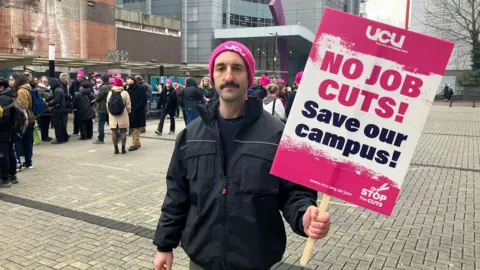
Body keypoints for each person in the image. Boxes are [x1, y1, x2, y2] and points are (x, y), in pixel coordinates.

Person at [153, 41, 330, 270]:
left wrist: (304, 215)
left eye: (237, 68)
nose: (229, 76)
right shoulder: (191, 135)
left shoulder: (277, 134)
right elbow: (177, 195)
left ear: (249, 76)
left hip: (256, 261)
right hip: (201, 261)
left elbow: (294, 192)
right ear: (212, 76)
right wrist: (164, 245)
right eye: (221, 68)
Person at [10, 73, 35, 170]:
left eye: (12, 80)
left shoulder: (21, 91)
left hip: (23, 118)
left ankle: (18, 163)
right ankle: (28, 162)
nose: (10, 81)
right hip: (30, 117)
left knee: (18, 141)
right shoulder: (28, 89)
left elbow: (22, 106)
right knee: (27, 141)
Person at [0, 77, 18, 188]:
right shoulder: (10, 96)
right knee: (9, 152)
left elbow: (3, 118)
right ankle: (12, 175)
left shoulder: (3, 99)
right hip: (10, 130)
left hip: (3, 131)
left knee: (2, 155)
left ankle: (4, 178)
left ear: (1, 87)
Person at [107, 78, 131, 154]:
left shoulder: (110, 93)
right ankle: (123, 149)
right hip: (123, 114)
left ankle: (116, 149)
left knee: (114, 132)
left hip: (113, 115)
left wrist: (109, 113)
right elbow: (128, 105)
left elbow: (107, 104)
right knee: (123, 132)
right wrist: (128, 112)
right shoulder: (125, 93)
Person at [126, 75, 147, 151]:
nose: (127, 81)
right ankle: (137, 142)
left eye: (128, 79)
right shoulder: (129, 88)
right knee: (133, 127)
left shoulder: (140, 87)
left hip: (138, 111)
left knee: (136, 127)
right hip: (131, 111)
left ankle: (135, 144)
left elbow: (143, 100)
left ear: (132, 80)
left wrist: (137, 107)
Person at [47, 74, 69, 144]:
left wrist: (48, 104)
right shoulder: (59, 89)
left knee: (57, 125)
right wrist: (46, 100)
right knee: (62, 125)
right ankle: (65, 137)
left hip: (57, 110)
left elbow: (56, 100)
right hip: (61, 109)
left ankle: (59, 139)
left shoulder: (57, 90)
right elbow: (52, 97)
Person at [93, 75, 111, 144]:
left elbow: (98, 97)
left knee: (101, 124)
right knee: (111, 123)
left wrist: (95, 100)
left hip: (103, 108)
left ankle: (100, 139)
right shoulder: (111, 86)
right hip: (110, 107)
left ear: (103, 80)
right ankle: (118, 136)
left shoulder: (103, 87)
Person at [36, 76, 53, 142]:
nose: (46, 83)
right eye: (44, 81)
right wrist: (43, 100)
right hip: (43, 109)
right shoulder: (39, 89)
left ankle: (46, 135)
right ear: (41, 81)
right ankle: (44, 136)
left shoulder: (49, 88)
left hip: (49, 109)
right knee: (43, 124)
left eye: (46, 81)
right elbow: (38, 98)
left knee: (47, 123)